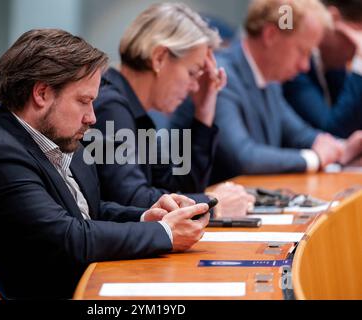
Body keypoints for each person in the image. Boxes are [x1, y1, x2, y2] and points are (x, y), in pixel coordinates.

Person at [0, 29, 211, 299]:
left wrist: (147, 217)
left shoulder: (53, 133)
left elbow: (90, 211)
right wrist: (164, 233)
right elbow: (68, 238)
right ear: (41, 93)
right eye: (84, 101)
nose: (92, 117)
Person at [91, 3, 255, 217]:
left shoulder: (134, 110)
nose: (195, 86)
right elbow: (131, 198)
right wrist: (213, 204)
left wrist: (204, 110)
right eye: (192, 72)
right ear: (159, 58)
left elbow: (178, 186)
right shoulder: (110, 106)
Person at [171, 0, 362, 183]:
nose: (305, 66)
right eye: (302, 51)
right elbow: (244, 157)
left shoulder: (270, 82)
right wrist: (315, 158)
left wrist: (342, 148)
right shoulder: (221, 76)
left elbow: (299, 133)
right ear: (271, 35)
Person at [283, 0, 362, 138]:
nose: (355, 51)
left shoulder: (335, 66)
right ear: (332, 20)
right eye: (356, 40)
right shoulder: (294, 66)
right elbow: (330, 130)